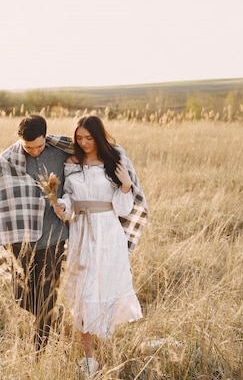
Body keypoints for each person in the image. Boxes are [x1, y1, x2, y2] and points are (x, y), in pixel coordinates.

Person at [54, 115, 148, 376]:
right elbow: (70, 198)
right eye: (79, 138)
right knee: (83, 294)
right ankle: (89, 358)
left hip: (107, 232)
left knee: (105, 289)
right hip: (80, 233)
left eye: (88, 138)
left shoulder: (113, 161)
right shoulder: (71, 162)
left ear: (98, 136)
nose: (83, 143)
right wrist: (63, 206)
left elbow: (122, 208)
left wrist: (127, 186)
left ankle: (109, 350)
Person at [0, 114, 70, 356]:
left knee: (46, 296)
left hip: (53, 236)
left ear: (46, 137)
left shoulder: (61, 152)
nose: (34, 151)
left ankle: (38, 354)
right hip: (21, 238)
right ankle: (53, 315)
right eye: (28, 147)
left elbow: (85, 165)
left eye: (39, 146)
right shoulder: (7, 159)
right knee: (21, 296)